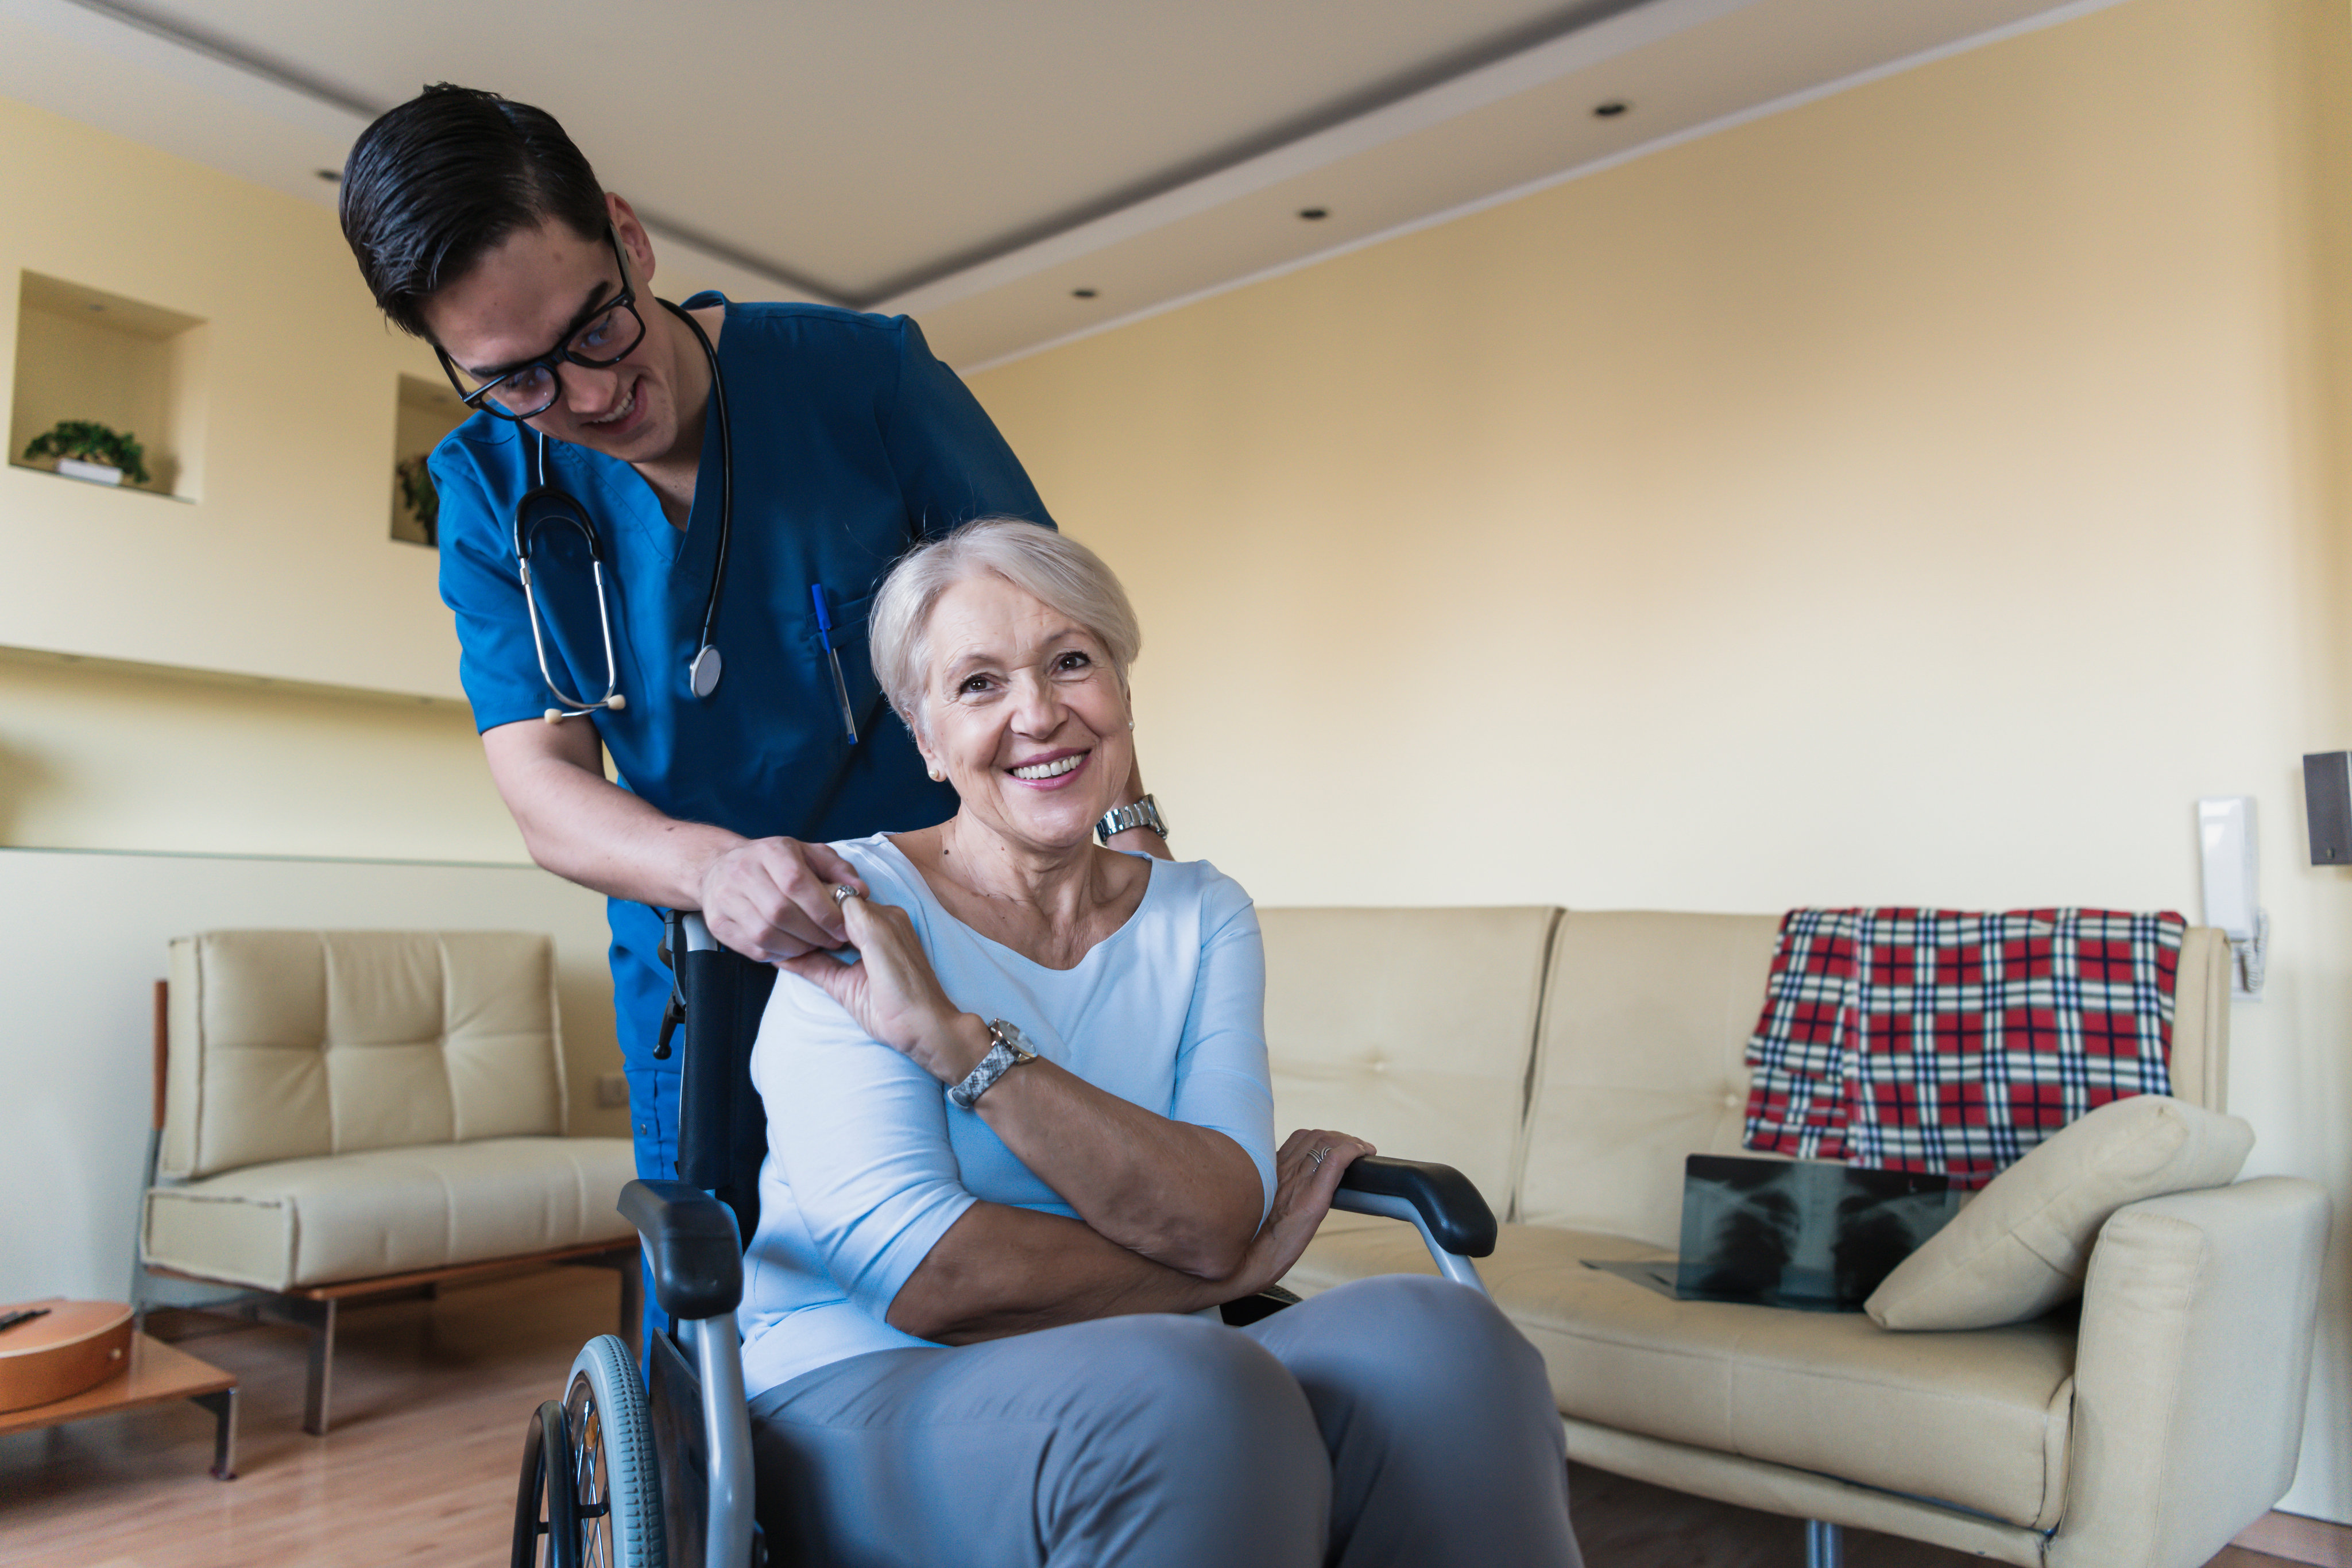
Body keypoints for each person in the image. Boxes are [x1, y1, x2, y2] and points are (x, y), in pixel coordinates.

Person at [334, 87, 1171, 1209]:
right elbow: (540, 782)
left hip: (963, 929)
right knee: (728, 1316)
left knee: (1022, 1257)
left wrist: (1129, 841)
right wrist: (712, 870)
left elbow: (1051, 647)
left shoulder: (864, 379)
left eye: (595, 328)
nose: (587, 394)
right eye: (517, 378)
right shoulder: (487, 488)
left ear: (628, 238)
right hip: (704, 960)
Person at [746, 518, 1583, 1566]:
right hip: (865, 1375)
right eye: (978, 686)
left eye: (1070, 661)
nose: (1039, 713)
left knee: (1453, 1348)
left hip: (1166, 1365)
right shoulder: (857, 910)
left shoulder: (1203, 914)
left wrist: (964, 1047)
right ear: (922, 737)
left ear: (1123, 694)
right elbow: (927, 1276)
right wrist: (1217, 1278)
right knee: (1200, 1392)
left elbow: (1221, 1209)